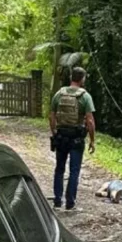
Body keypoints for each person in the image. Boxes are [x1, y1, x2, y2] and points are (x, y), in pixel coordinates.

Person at [49, 67, 96, 210]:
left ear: (71, 77)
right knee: (74, 171)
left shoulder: (59, 94)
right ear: (82, 79)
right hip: (76, 138)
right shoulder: (85, 96)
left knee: (59, 169)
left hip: (61, 136)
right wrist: (92, 140)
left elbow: (51, 116)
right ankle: (70, 203)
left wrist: (54, 132)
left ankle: (57, 201)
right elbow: (90, 121)